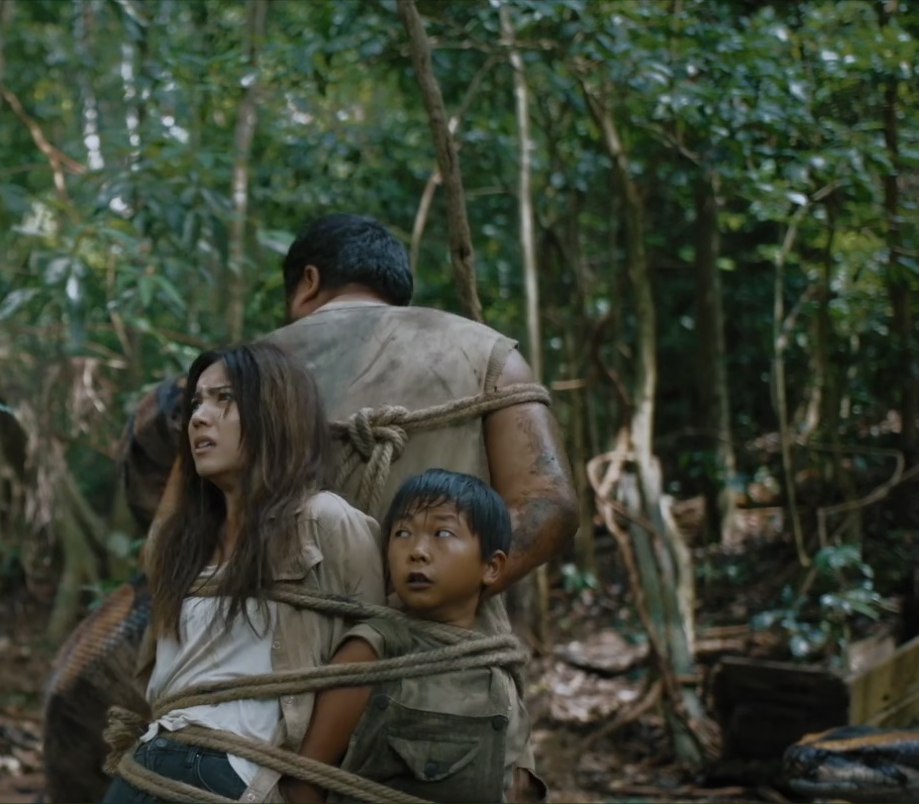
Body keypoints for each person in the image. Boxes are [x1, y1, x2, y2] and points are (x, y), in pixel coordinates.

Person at [67, 212, 574, 801]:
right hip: (445, 695)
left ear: (308, 282)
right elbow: (550, 508)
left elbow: (167, 540)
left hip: (264, 723)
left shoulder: (250, 373)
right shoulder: (487, 355)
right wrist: (422, 603)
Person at [104, 341, 385, 803]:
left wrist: (305, 782)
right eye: (196, 403)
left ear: (274, 414)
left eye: (225, 399)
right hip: (147, 761)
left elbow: (372, 644)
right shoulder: (185, 542)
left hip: (231, 772)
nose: (199, 417)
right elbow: (154, 547)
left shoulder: (321, 519)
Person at [281, 469, 527, 804]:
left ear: (492, 567)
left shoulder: (498, 662)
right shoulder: (376, 647)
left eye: (442, 533)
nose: (417, 551)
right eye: (402, 533)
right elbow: (304, 780)